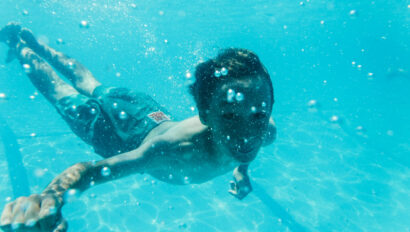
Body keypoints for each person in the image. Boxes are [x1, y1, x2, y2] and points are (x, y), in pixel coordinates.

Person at [0, 22, 276, 232]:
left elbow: (249, 139)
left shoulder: (265, 128)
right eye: (229, 117)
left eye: (259, 116)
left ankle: (35, 45)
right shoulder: (174, 151)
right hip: (120, 137)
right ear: (205, 113)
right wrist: (49, 199)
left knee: (90, 83)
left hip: (147, 110)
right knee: (60, 93)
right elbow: (89, 171)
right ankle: (19, 45)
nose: (248, 133)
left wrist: (242, 170)